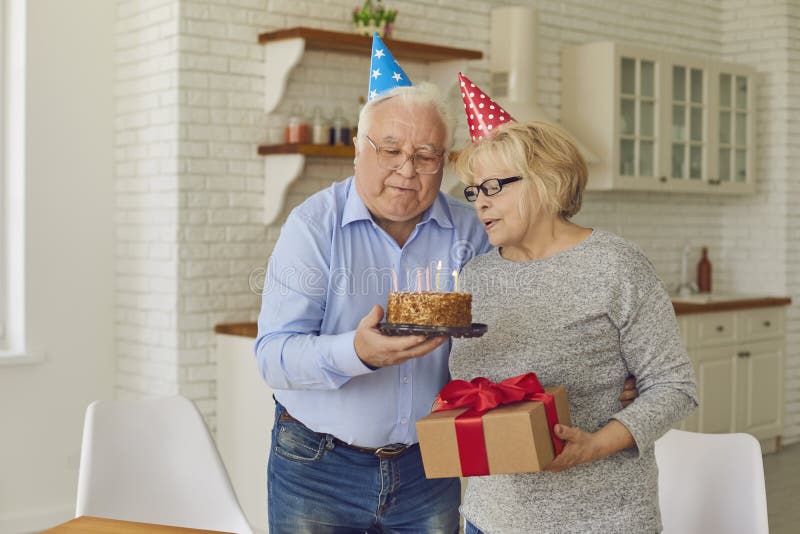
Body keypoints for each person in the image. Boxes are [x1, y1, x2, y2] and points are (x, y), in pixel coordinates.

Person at [450, 87, 698, 532]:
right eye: (473, 191)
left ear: (547, 183)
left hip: (602, 519)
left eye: (492, 187)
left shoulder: (614, 264)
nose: (480, 202)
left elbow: (674, 386)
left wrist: (596, 444)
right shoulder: (475, 277)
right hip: (491, 519)